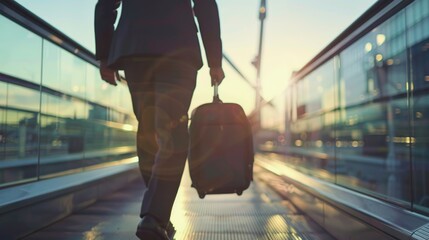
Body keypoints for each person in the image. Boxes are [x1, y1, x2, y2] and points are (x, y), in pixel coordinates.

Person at [94, 0, 224, 239]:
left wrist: (104, 56)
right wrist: (214, 60)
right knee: (173, 131)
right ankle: (154, 216)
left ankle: (156, 215)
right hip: (179, 47)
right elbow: (205, 4)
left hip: (135, 48)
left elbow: (105, 5)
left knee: (149, 132)